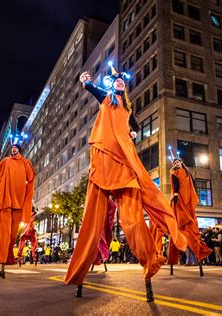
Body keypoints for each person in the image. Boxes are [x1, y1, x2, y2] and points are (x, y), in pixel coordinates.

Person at [64, 64, 187, 301]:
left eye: (122, 81)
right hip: (104, 160)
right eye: (116, 80)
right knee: (93, 219)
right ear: (112, 85)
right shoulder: (107, 98)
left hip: (124, 162)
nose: (119, 81)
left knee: (132, 220)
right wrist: (86, 80)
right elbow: (91, 88)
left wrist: (132, 133)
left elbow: (135, 127)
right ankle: (82, 269)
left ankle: (149, 261)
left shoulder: (128, 109)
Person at [0, 143, 35, 279]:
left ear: (19, 149)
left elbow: (31, 178)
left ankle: (7, 258)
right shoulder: (6, 161)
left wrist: (28, 201)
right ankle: (1, 262)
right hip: (6, 203)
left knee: (12, 236)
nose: (13, 149)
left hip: (18, 204)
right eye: (12, 148)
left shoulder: (26, 163)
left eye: (15, 148)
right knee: (4, 234)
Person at [166, 156, 212, 276]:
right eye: (174, 162)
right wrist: (175, 195)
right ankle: (177, 257)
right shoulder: (174, 173)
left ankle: (196, 253)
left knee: (190, 225)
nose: (176, 163)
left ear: (181, 162)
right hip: (179, 200)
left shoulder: (187, 173)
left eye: (178, 161)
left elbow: (193, 184)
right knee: (180, 224)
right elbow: (175, 186)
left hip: (188, 201)